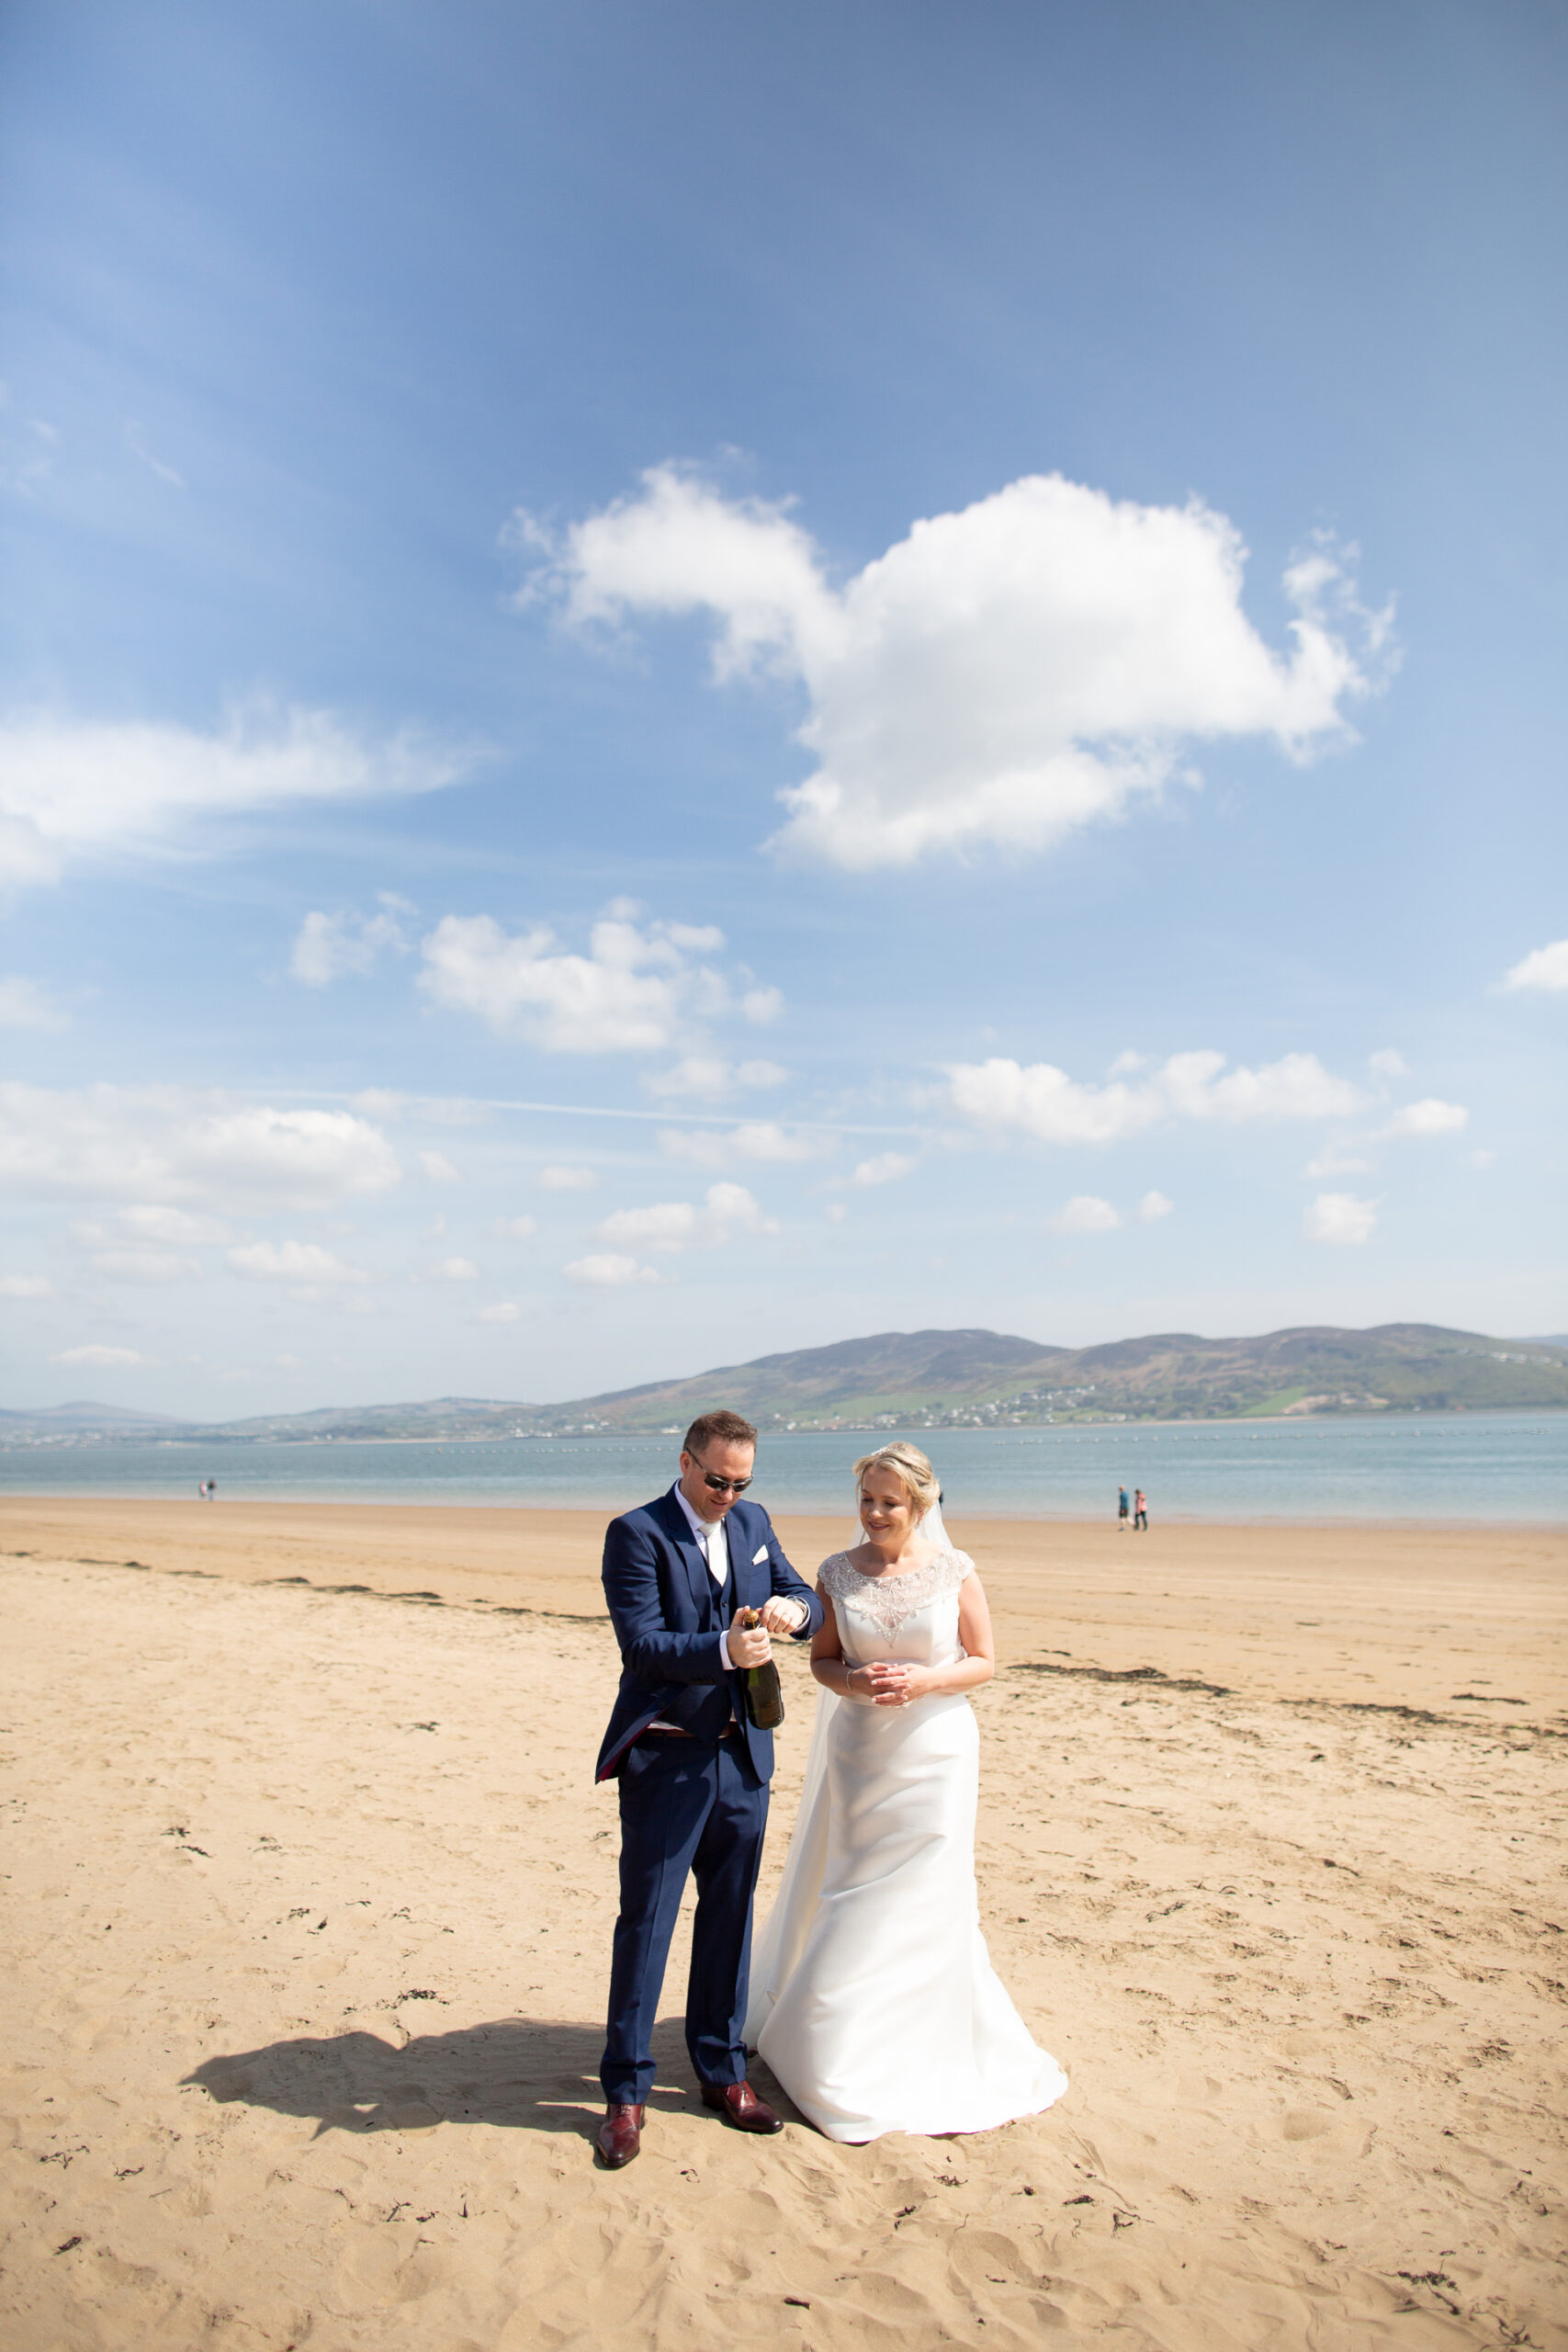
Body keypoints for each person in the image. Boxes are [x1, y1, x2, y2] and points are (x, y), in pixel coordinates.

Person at [744, 1442, 1068, 2143]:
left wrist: (925, 1682)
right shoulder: (836, 1573)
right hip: (861, 1755)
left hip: (936, 1753)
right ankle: (831, 2046)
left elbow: (983, 1660)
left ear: (919, 1504)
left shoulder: (955, 1571)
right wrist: (854, 1683)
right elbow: (824, 1664)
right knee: (854, 1887)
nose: (874, 1513)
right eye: (866, 1499)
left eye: (889, 1501)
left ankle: (923, 2039)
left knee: (927, 1891)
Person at [593, 1408, 825, 2169]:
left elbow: (797, 1587)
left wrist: (796, 1607)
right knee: (649, 1923)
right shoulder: (635, 1533)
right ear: (686, 1462)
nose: (729, 1495)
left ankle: (722, 2076)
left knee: (730, 1923)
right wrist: (721, 1649)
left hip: (743, 1759)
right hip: (668, 1760)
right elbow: (644, 1645)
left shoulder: (754, 1519)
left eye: (741, 1482)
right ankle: (625, 2094)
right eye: (717, 1480)